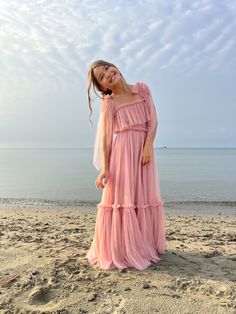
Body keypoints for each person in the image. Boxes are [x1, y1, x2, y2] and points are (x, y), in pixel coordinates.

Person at [86, 60, 167, 271]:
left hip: (144, 153)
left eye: (106, 69)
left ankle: (143, 244)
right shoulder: (109, 103)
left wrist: (148, 145)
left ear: (115, 67)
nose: (107, 74)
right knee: (123, 199)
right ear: (103, 87)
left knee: (143, 197)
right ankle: (122, 248)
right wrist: (105, 168)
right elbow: (105, 139)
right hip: (122, 154)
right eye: (101, 77)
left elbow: (153, 121)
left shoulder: (142, 90)